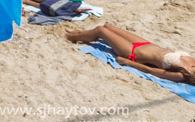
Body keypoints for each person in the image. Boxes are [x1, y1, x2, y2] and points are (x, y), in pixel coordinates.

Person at [66, 24, 195, 85]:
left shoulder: (181, 75)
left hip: (133, 53)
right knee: (107, 26)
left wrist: (127, 62)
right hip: (146, 44)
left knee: (101, 31)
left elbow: (150, 70)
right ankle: (80, 32)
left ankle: (70, 37)